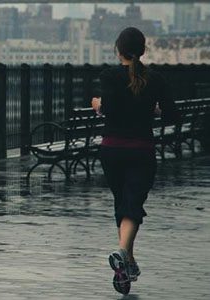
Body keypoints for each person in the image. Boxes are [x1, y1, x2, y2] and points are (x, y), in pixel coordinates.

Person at [91, 27, 179, 295]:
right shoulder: (156, 79)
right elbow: (172, 116)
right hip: (141, 150)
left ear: (118, 50)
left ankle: (127, 262)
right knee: (132, 204)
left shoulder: (109, 75)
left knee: (123, 203)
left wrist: (98, 105)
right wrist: (154, 109)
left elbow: (112, 108)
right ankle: (123, 255)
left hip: (112, 149)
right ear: (142, 50)